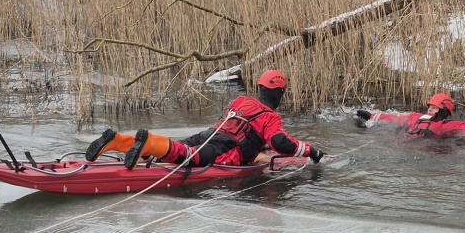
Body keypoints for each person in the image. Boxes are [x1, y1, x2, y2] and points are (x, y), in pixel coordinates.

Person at [85, 69, 326, 169]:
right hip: (225, 149)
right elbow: (280, 143)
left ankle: (117, 140)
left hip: (210, 134)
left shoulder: (241, 101)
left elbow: (247, 128)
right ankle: (147, 143)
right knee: (189, 158)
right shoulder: (271, 117)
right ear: (280, 92)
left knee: (183, 146)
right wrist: (309, 150)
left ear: (260, 87)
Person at [355, 93, 465, 142]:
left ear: (444, 110)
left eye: (434, 107)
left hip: (431, 149)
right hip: (407, 143)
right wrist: (372, 116)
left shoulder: (449, 125)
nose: (430, 109)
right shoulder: (414, 117)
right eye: (429, 106)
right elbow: (393, 118)